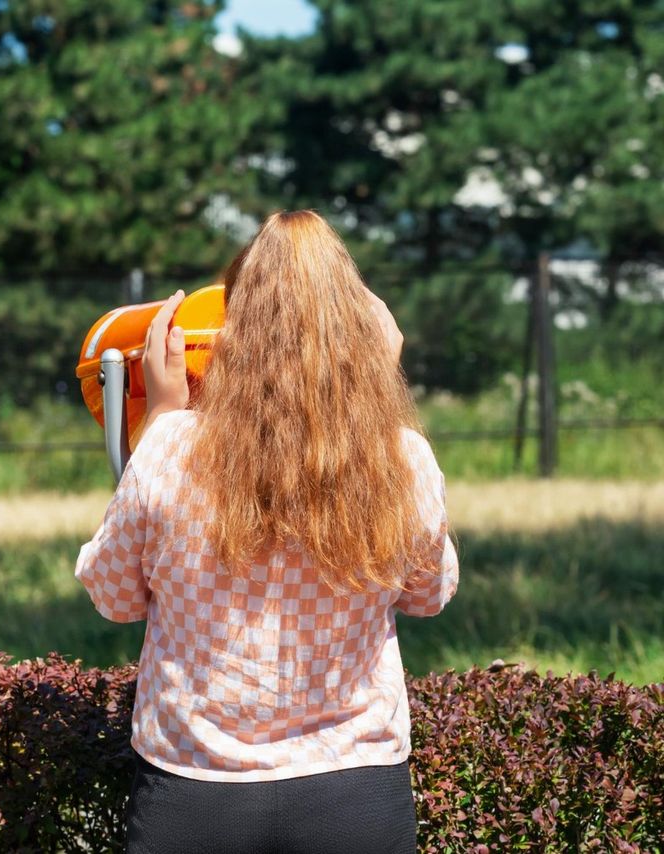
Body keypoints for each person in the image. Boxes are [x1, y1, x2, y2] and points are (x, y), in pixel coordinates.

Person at [75, 210, 458, 854]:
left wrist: (159, 422)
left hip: (194, 792)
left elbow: (113, 599)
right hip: (356, 794)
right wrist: (384, 383)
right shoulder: (403, 456)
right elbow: (428, 594)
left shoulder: (170, 449)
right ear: (363, 333)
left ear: (233, 329)